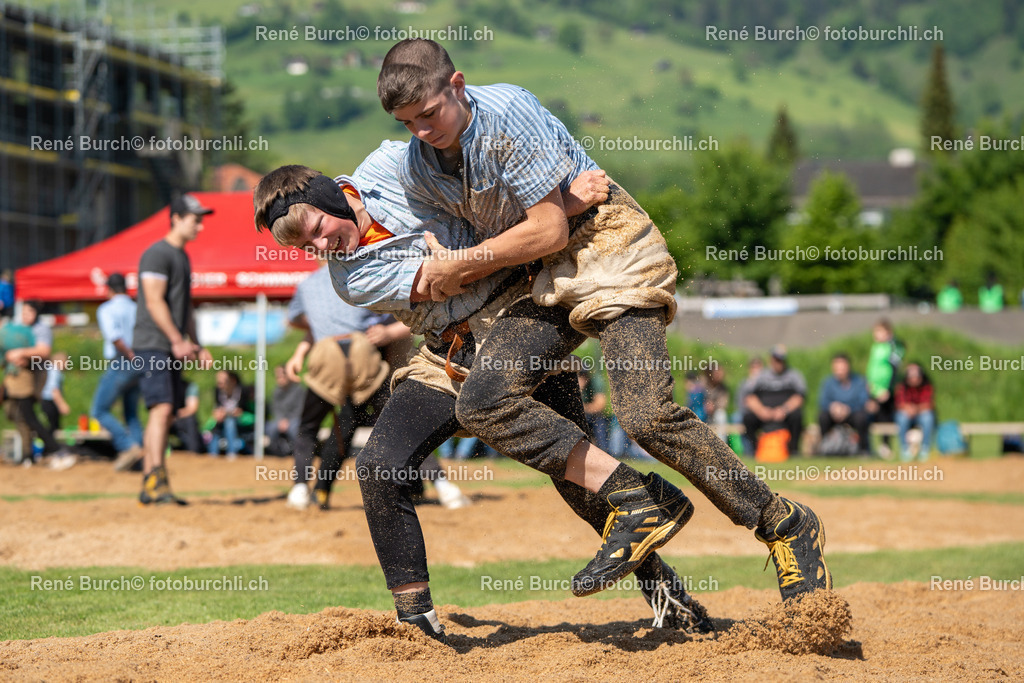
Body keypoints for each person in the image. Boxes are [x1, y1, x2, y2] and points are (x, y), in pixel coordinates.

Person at [378, 38, 829, 620]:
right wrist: (482, 251)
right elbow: (517, 239)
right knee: (486, 404)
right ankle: (645, 517)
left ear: (457, 85)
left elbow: (545, 234)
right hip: (537, 278)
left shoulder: (508, 112)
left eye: (429, 114)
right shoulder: (418, 165)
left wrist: (468, 261)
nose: (420, 132)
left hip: (607, 247)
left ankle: (784, 524)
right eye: (405, 123)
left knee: (645, 416)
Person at [254, 155, 712, 640]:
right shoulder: (348, 279)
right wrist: (555, 212)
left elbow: (488, 195)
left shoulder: (396, 165)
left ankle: (671, 598)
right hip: (448, 356)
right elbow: (447, 279)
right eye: (306, 246)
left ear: (328, 197)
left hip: (522, 329)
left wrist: (560, 204)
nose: (322, 246)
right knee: (378, 467)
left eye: (319, 228)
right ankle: (417, 623)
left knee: (576, 484)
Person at [133, 193, 214, 505]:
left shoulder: (182, 256)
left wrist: (197, 343)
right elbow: (154, 301)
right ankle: (153, 478)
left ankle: (155, 480)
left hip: (169, 345)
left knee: (166, 412)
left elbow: (186, 307)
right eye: (195, 220)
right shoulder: (157, 254)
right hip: (153, 343)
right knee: (162, 409)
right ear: (176, 218)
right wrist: (177, 340)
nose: (200, 226)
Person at [2, 301, 72, 465]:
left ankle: (53, 450)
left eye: (29, 312)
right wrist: (10, 356)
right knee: (17, 414)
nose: (26, 315)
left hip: (32, 378)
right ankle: (29, 455)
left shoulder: (41, 329)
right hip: (14, 376)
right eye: (24, 312)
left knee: (28, 415)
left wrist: (21, 354)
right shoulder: (17, 327)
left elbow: (43, 351)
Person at [92, 273, 146, 472]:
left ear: (109, 289)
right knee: (131, 414)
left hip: (122, 362)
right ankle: (139, 458)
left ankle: (127, 447)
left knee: (99, 410)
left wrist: (130, 354)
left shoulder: (106, 309)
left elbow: (115, 337)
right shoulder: (136, 308)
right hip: (140, 363)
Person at [742, 345, 806, 455]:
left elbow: (799, 398)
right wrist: (761, 411)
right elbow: (749, 398)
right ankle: (755, 449)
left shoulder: (794, 375)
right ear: (770, 359)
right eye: (776, 359)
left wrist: (784, 410)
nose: (778, 362)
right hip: (764, 414)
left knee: (797, 415)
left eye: (781, 360)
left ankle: (794, 450)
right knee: (748, 418)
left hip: (785, 414)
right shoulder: (760, 376)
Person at [817, 353, 873, 455]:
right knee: (822, 416)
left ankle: (863, 449)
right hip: (833, 414)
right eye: (837, 367)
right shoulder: (828, 382)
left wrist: (848, 409)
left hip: (852, 414)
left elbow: (863, 400)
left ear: (848, 366)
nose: (839, 370)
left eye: (842, 367)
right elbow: (823, 401)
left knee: (861, 418)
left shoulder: (859, 381)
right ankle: (825, 448)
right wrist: (833, 407)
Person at [866, 318, 904, 458]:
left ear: (888, 333)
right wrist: (869, 384)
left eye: (880, 331)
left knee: (886, 417)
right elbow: (872, 367)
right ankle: (867, 446)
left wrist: (888, 389)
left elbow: (894, 369)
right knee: (871, 415)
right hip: (873, 389)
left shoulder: (893, 347)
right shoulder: (875, 347)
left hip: (886, 390)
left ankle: (886, 446)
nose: (876, 335)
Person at [204, 370, 253, 457]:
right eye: (218, 382)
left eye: (223, 381)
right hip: (223, 421)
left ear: (233, 380)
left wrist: (236, 413)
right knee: (217, 424)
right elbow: (217, 408)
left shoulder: (243, 391)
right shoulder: (217, 391)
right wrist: (218, 413)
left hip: (243, 422)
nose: (220, 385)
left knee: (229, 422)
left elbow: (248, 411)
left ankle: (231, 453)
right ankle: (212, 454)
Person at [894, 362, 935, 462]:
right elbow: (899, 404)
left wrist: (916, 409)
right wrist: (908, 408)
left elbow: (929, 404)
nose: (914, 378)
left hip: (921, 414)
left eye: (916, 375)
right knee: (901, 417)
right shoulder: (902, 386)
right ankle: (905, 449)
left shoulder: (927, 385)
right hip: (907, 415)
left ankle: (925, 449)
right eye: (911, 376)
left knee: (928, 417)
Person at [266, 364, 304, 456]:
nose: (279, 378)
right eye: (277, 376)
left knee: (294, 428)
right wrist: (281, 420)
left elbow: (300, 409)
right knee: (269, 428)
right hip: (280, 420)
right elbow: (275, 409)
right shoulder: (276, 392)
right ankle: (276, 451)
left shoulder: (299, 390)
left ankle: (299, 452)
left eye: (282, 376)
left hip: (295, 419)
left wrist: (288, 420)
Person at [169, 379, 203, 453]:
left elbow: (192, 409)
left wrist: (175, 415)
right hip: (168, 419)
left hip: (182, 419)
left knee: (190, 420)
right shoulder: (164, 386)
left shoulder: (189, 386)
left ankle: (193, 451)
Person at [704, 366, 730, 442]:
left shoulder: (723, 388)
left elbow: (724, 403)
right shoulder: (703, 384)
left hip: (715, 414)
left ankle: (722, 444)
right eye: (717, 373)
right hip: (702, 412)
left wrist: (714, 406)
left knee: (721, 414)